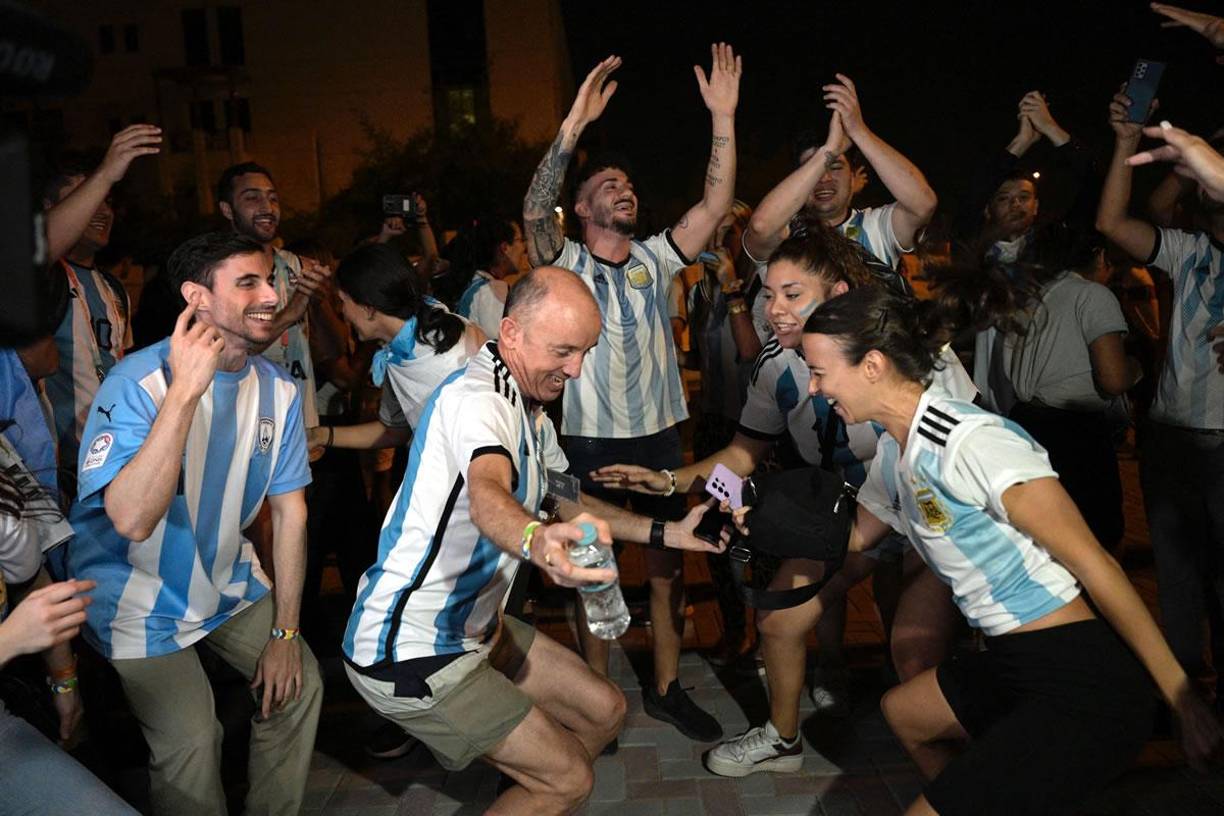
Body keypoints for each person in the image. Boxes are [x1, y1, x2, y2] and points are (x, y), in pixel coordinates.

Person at [796, 284, 1222, 815]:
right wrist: (756, 522)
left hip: (1077, 679)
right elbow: (855, 538)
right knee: (906, 712)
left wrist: (1184, 700)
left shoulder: (972, 440)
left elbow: (1097, 563)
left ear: (873, 365)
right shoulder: (899, 451)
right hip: (1012, 661)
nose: (814, 388)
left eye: (819, 371)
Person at [594, 224, 974, 776]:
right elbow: (745, 453)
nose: (773, 310)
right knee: (780, 619)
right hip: (861, 511)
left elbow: (971, 466)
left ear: (840, 296)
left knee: (913, 650)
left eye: (792, 295)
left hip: (930, 517)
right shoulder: (776, 363)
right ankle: (785, 739)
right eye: (768, 294)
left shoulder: (915, 357)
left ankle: (958, 764)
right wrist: (675, 483)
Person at [342, 267, 722, 815]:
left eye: (586, 351)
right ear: (513, 333)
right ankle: (545, 790)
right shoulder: (479, 400)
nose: (576, 368)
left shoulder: (533, 410)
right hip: (413, 649)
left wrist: (669, 532)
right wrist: (536, 540)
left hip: (476, 627)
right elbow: (489, 492)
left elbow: (567, 499)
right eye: (565, 350)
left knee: (603, 711)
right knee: (567, 781)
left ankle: (534, 794)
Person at [521, 44, 742, 742]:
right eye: (608, 185)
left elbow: (714, 202)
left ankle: (669, 687)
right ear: (582, 208)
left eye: (628, 184)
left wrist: (723, 120)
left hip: (657, 438)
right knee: (594, 568)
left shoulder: (656, 255)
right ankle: (598, 698)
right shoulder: (566, 261)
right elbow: (532, 210)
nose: (625, 190)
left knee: (669, 565)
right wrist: (572, 129)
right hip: (584, 440)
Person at [66, 232, 323, 816]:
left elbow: (289, 514)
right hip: (135, 597)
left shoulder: (278, 391)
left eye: (270, 278)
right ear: (196, 297)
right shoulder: (139, 382)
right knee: (192, 740)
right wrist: (185, 393)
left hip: (226, 584)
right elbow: (130, 520)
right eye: (247, 282)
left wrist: (285, 632)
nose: (270, 294)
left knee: (298, 685)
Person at [1096, 89, 1224, 705]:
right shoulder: (1192, 251)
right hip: (1172, 435)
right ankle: (1183, 695)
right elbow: (1113, 225)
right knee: (1175, 575)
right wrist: (1126, 144)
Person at [738, 74, 938, 358]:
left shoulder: (877, 226)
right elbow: (759, 228)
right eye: (816, 169)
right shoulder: (786, 238)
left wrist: (859, 131)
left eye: (836, 167)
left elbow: (923, 203)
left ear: (854, 175)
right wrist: (829, 150)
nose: (824, 179)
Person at [39, 126, 162, 499]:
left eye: (107, 199)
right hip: (58, 473)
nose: (102, 209)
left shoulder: (113, 288)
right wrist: (107, 169)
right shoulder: (37, 280)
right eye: (86, 196)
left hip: (117, 463)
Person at [216, 162, 330, 430]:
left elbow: (332, 352)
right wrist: (293, 310)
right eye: (252, 197)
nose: (267, 207)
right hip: (246, 429)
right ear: (227, 209)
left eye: (273, 198)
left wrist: (319, 303)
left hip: (301, 426)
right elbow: (237, 351)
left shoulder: (300, 267)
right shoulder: (217, 273)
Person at [450, 216, 526, 339]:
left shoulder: (473, 283)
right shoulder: (491, 290)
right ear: (505, 248)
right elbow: (502, 342)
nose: (524, 247)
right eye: (520, 240)